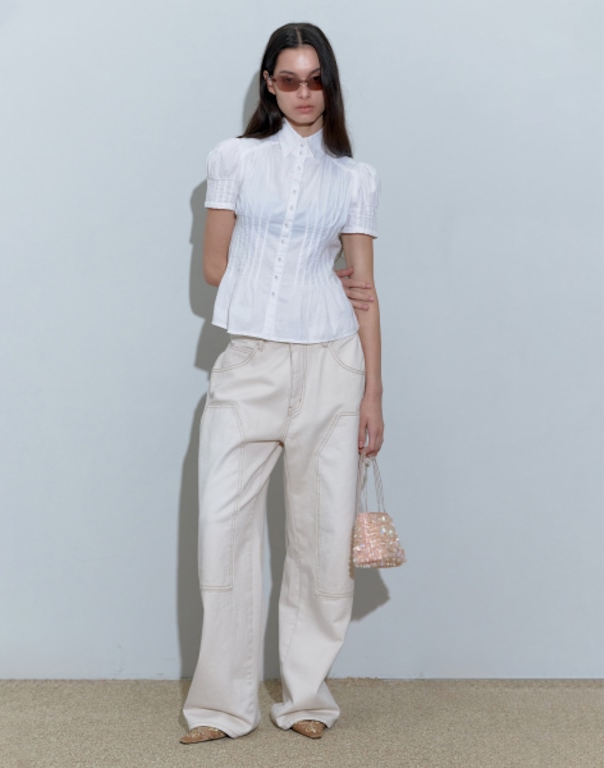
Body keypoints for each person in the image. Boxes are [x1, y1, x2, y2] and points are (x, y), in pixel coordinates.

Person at [180, 22, 383, 744]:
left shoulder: (355, 177)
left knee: (323, 538)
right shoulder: (234, 159)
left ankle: (305, 699)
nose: (304, 93)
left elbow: (364, 290)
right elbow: (215, 267)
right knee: (223, 532)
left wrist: (373, 393)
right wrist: (300, 278)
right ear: (269, 83)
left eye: (316, 80)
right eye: (290, 80)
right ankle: (221, 707)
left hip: (333, 365)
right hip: (252, 364)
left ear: (330, 85)